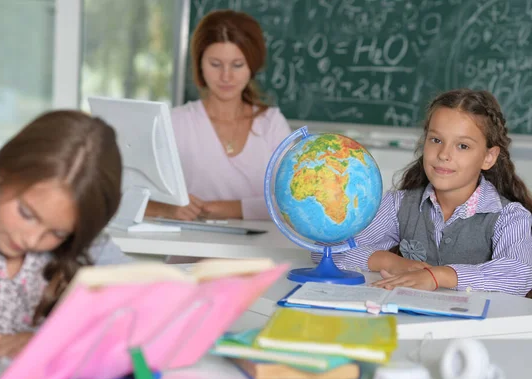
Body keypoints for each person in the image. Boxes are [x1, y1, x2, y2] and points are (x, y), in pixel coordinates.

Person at [0, 110, 132, 368]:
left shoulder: (88, 244)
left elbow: (138, 304)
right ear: (3, 172)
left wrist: (52, 341)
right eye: (27, 213)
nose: (32, 239)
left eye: (58, 233)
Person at [313, 89, 532, 296]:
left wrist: (439, 276)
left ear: (489, 157)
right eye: (436, 140)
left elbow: (519, 275)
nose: (444, 154)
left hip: (473, 333)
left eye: (462, 146)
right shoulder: (398, 204)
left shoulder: (509, 217)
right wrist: (389, 261)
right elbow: (326, 251)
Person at [145, 9, 291, 221]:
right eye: (215, 64)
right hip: (192, 251)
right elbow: (127, 198)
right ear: (200, 65)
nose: (226, 76)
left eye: (237, 65)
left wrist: (230, 208)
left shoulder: (272, 124)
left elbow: (292, 203)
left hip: (261, 254)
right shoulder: (174, 123)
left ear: (252, 65)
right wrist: (166, 209)